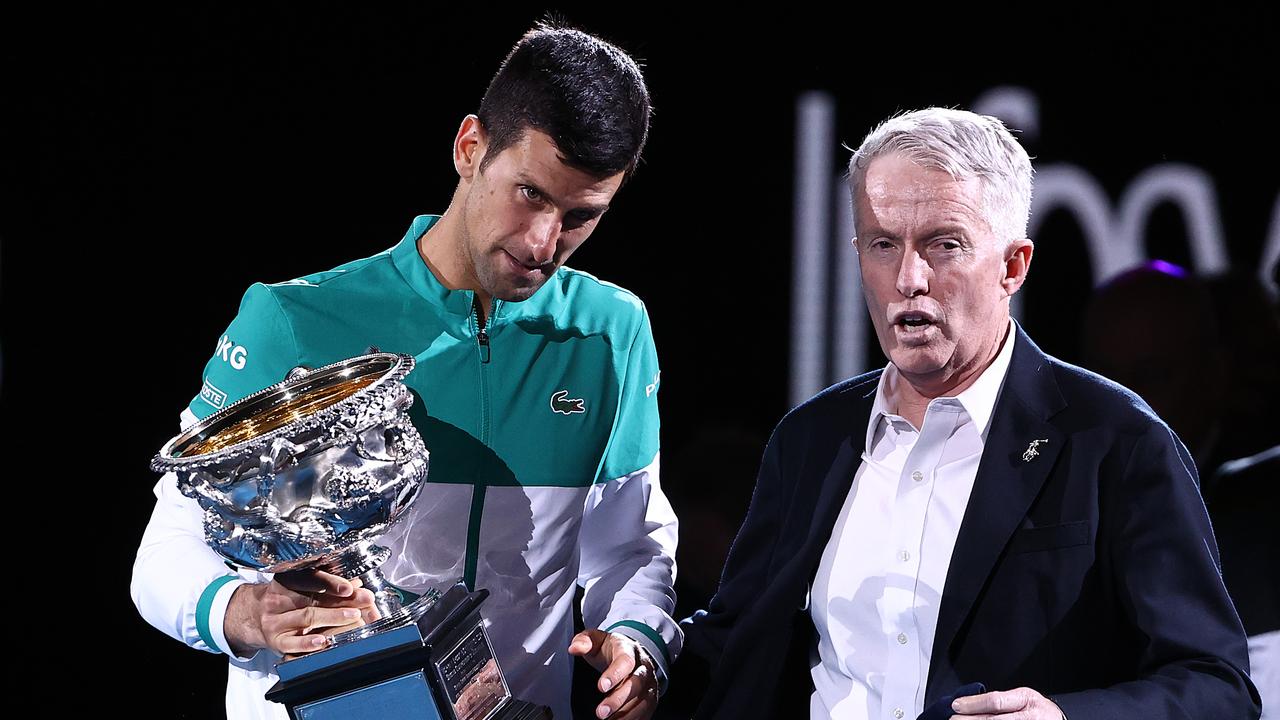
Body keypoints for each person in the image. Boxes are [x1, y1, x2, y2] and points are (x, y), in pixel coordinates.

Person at [132, 22, 678, 720]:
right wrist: (241, 609)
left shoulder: (613, 333)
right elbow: (166, 550)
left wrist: (640, 640)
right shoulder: (293, 322)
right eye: (531, 194)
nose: (545, 243)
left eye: (580, 215)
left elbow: (630, 547)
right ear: (470, 147)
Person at [668, 108, 1259, 719]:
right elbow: (735, 644)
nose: (908, 279)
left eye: (943, 245)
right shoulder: (812, 438)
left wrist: (1063, 718)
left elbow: (1217, 687)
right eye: (882, 245)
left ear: (1012, 266)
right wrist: (641, 663)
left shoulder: (1116, 440)